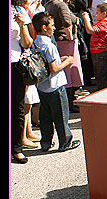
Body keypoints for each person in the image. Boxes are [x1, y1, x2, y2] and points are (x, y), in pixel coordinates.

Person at [31, 12, 81, 152]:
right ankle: (65, 141)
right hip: (55, 85)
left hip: (42, 86)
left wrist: (60, 59)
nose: (54, 28)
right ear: (44, 27)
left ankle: (46, 142)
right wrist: (67, 61)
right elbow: (54, 68)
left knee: (45, 116)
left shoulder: (36, 42)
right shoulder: (49, 45)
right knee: (60, 115)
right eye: (52, 26)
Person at [44, 0, 83, 113]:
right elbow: (67, 22)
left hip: (57, 40)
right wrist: (71, 36)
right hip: (65, 41)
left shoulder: (48, 4)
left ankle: (68, 101)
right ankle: (70, 102)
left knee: (66, 71)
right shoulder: (61, 5)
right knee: (69, 71)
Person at [11, 0, 34, 164]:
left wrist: (22, 25)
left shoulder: (18, 11)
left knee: (18, 107)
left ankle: (17, 148)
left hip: (16, 64)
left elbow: (27, 43)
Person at [81, 3, 107, 91]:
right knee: (105, 75)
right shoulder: (106, 23)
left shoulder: (103, 24)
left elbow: (90, 30)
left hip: (100, 53)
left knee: (101, 76)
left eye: (97, 13)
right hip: (101, 53)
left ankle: (103, 94)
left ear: (103, 13)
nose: (96, 15)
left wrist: (86, 19)